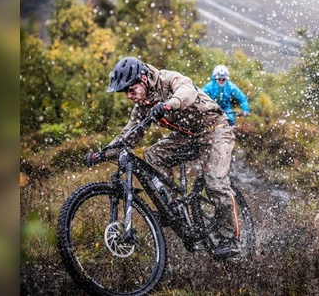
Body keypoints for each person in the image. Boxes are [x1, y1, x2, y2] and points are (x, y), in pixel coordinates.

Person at [90, 56, 240, 256]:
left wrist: (169, 104)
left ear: (143, 79)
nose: (128, 96)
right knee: (153, 155)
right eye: (124, 92)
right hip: (188, 136)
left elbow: (187, 92)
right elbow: (127, 136)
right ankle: (172, 209)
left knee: (215, 182)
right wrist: (101, 153)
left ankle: (231, 240)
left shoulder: (168, 79)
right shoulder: (142, 106)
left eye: (130, 89)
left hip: (216, 128)